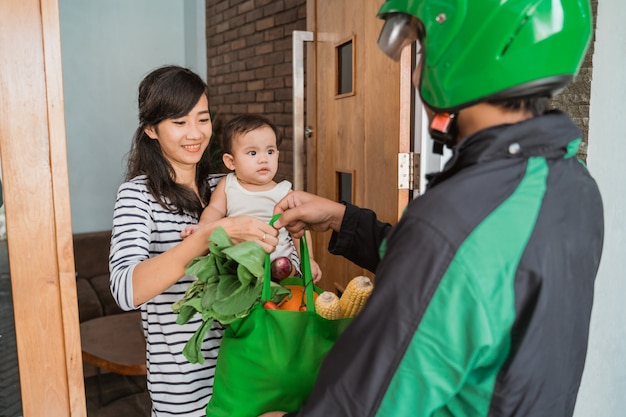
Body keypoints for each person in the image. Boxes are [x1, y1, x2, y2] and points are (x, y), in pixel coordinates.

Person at [260, 0, 604, 416]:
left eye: (421, 47)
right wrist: (340, 218)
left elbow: (361, 403)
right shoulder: (573, 184)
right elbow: (463, 283)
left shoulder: (456, 218)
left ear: (461, 51)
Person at [108, 65, 279, 417]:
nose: (195, 133)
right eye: (179, 122)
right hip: (185, 391)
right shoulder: (138, 196)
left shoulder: (228, 184)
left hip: (248, 371)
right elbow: (126, 290)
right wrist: (210, 236)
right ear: (151, 130)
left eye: (202, 119)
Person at [180, 113, 322, 282]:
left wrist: (308, 260)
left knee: (281, 273)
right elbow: (215, 209)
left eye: (270, 151)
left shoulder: (284, 193)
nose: (263, 159)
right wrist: (202, 227)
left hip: (277, 263)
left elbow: (300, 232)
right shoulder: (228, 185)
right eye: (253, 153)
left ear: (277, 154)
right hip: (238, 262)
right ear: (230, 162)